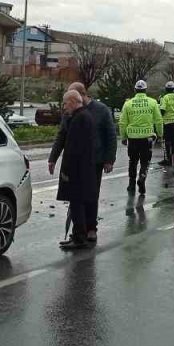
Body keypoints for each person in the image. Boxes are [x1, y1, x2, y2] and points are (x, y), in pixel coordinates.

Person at [49, 82, 116, 242]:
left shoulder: (100, 110)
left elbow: (111, 135)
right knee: (76, 196)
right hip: (77, 161)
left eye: (70, 98)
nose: (66, 105)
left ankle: (91, 228)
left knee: (91, 195)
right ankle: (80, 230)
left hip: (96, 160)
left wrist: (109, 159)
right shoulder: (70, 113)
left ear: (80, 95)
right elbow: (62, 135)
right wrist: (53, 158)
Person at [56, 90, 99, 251]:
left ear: (74, 101)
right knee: (77, 203)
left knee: (77, 204)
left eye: (65, 103)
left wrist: (66, 170)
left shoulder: (79, 119)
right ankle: (77, 235)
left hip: (77, 170)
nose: (64, 106)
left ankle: (79, 237)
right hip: (84, 168)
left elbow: (72, 148)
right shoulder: (84, 116)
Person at [120, 79, 163, 195]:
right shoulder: (153, 102)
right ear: (145, 90)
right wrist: (160, 134)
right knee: (145, 161)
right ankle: (142, 177)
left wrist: (123, 137)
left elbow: (122, 122)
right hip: (147, 137)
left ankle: (131, 184)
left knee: (132, 161)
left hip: (132, 138)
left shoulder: (128, 104)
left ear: (135, 90)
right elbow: (159, 120)